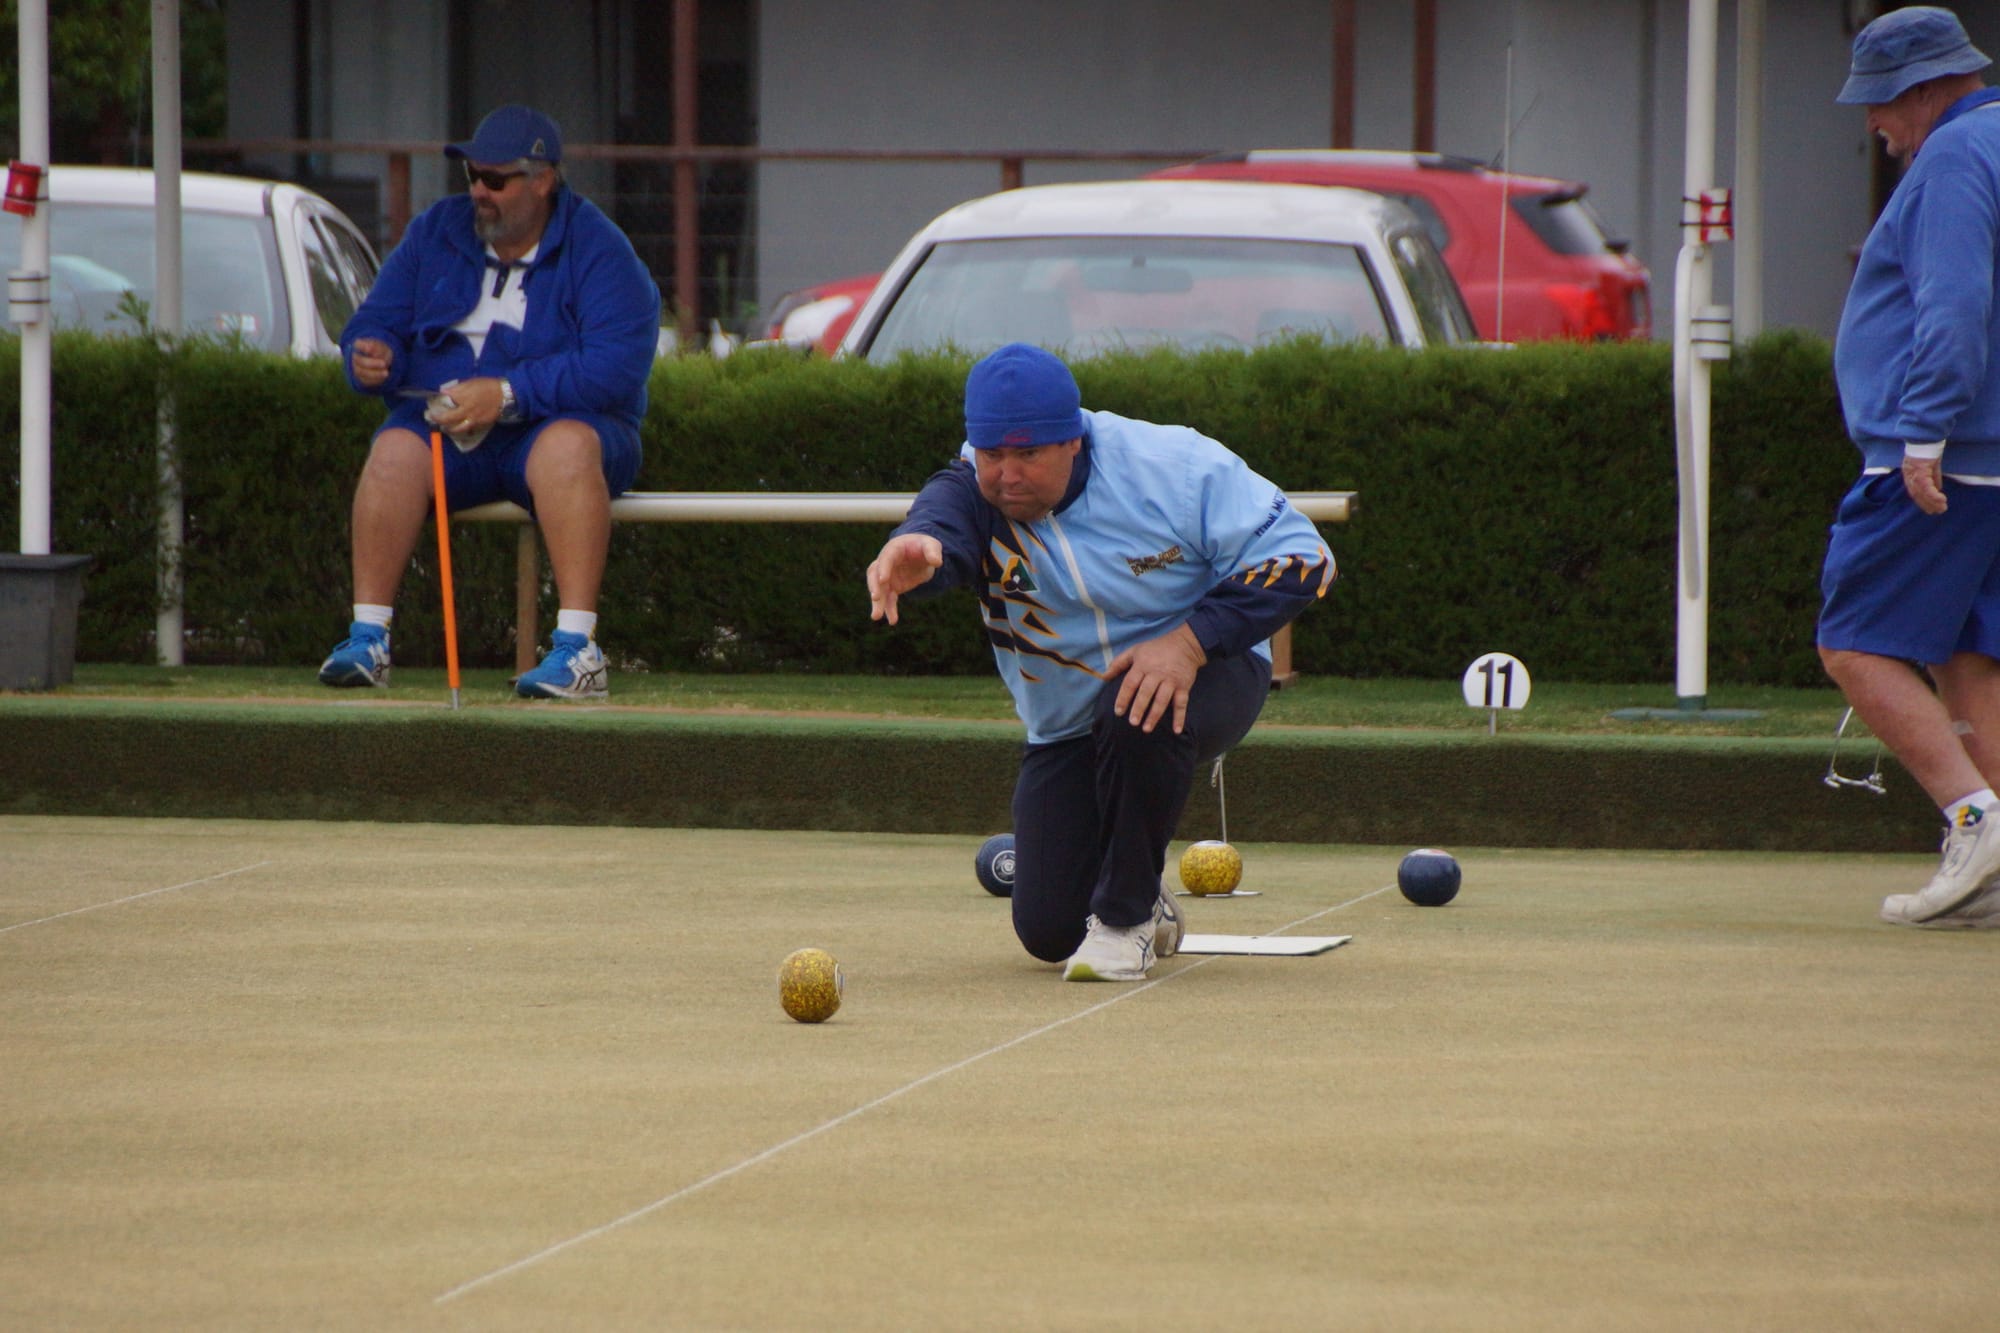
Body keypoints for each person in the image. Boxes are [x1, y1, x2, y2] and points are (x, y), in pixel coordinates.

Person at [866, 343, 1336, 980]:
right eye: (992, 455)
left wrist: (1189, 643)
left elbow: (1306, 559)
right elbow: (945, 520)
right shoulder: (973, 491)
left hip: (1209, 672)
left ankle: (1125, 921)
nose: (1007, 475)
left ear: (1074, 442)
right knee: (1050, 931)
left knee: (1135, 707)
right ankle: (1144, 896)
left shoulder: (1174, 465)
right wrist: (917, 544)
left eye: (1028, 455)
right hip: (1067, 724)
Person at [318, 104, 661, 700]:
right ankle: (367, 640)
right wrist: (367, 355)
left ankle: (580, 653)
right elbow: (375, 320)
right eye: (473, 176)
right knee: (395, 450)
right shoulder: (435, 230)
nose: (479, 191)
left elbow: (616, 365)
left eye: (495, 180)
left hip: (562, 434)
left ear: (543, 180)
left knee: (567, 446)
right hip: (449, 435)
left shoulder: (602, 249)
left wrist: (507, 394)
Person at [1820, 7, 2000, 927]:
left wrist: (1923, 431)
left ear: (1927, 87)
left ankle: (1975, 820)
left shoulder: (1958, 156)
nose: (1873, 122)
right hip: (1994, 459)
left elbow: (1957, 301)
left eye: (1882, 100)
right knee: (1970, 655)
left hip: (1943, 458)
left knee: (1854, 638)